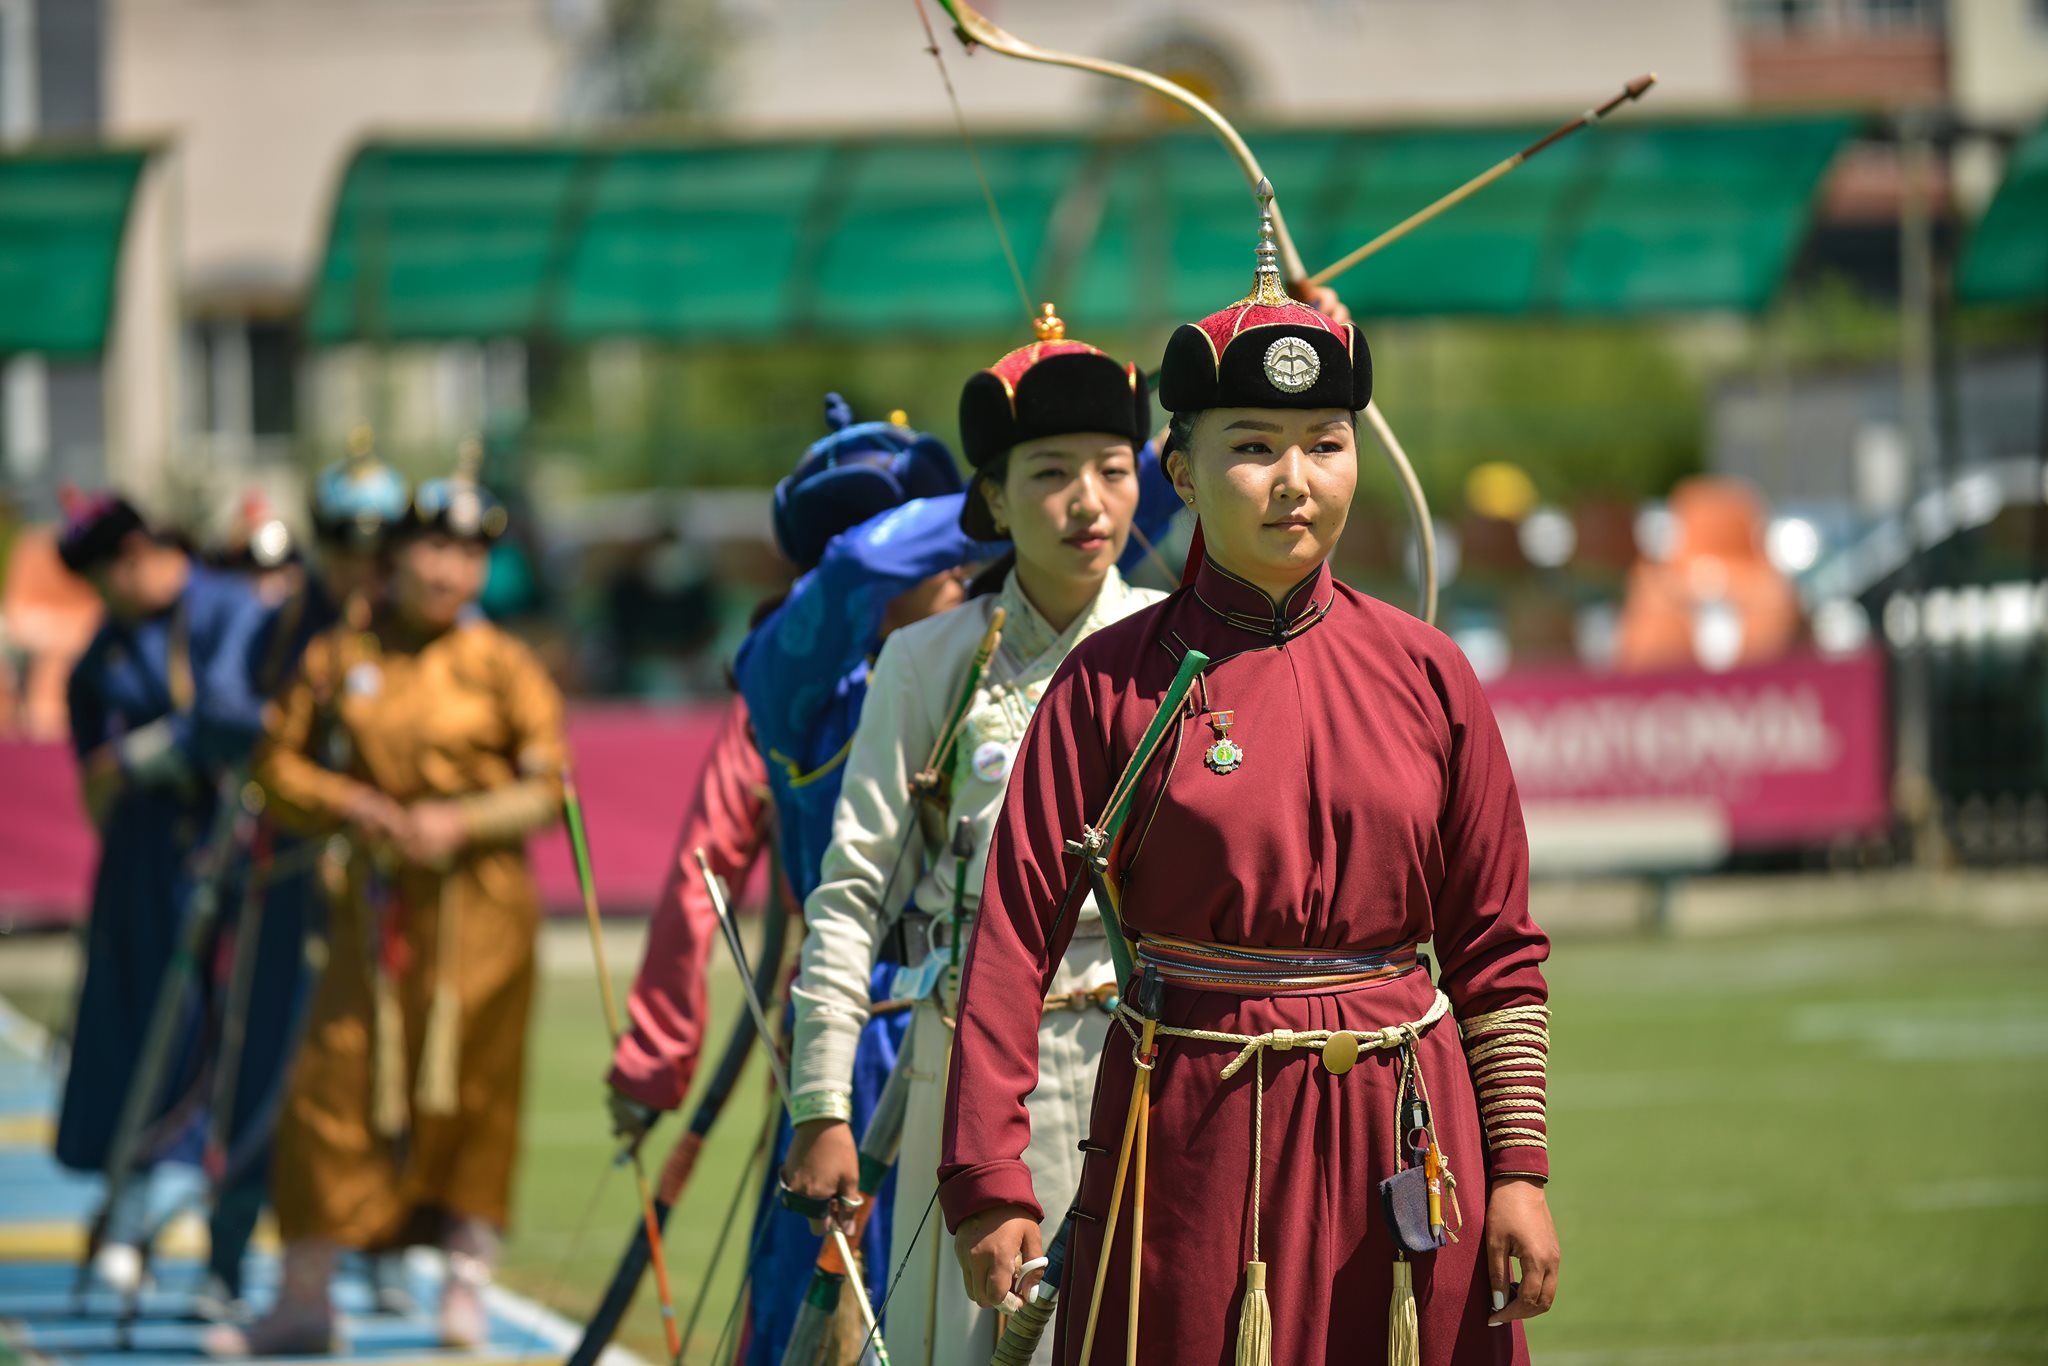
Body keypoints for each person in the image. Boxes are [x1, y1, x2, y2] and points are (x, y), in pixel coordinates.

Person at [939, 198, 1560, 1364]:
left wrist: (1519, 1171)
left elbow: (1495, 950)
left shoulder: (1428, 675)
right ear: (1178, 466)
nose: (1293, 481)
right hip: (1189, 1143)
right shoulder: (1109, 683)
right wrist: (988, 1170)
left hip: (1407, 1136)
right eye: (1251, 447)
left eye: (1325, 444)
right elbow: (1011, 940)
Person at [780, 304, 1166, 1364]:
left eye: (1112, 466)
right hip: (972, 1077)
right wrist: (821, 1099)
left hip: (1150, 1072)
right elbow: (852, 894)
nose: (1087, 501)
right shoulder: (931, 664)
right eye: (1047, 472)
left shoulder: (1185, 657)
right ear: (991, 496)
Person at [207, 455, 567, 1355]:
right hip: (368, 910)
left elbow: (549, 787)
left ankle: (464, 1284)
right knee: (330, 1090)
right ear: (393, 558)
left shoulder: (503, 664)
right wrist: (354, 805)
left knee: (474, 1094)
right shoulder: (343, 654)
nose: (446, 572)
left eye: (466, 556)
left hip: (480, 914)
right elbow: (275, 765)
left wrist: (461, 820)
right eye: (429, 551)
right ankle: (305, 1296)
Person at [53, 492, 273, 1296]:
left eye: (109, 573)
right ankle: (130, 1194)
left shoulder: (225, 608)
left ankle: (201, 1218)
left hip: (235, 847)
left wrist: (151, 754)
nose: (105, 595)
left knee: (217, 1030)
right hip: (146, 861)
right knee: (135, 1018)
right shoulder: (107, 648)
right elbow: (93, 763)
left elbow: (227, 714)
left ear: (139, 554)